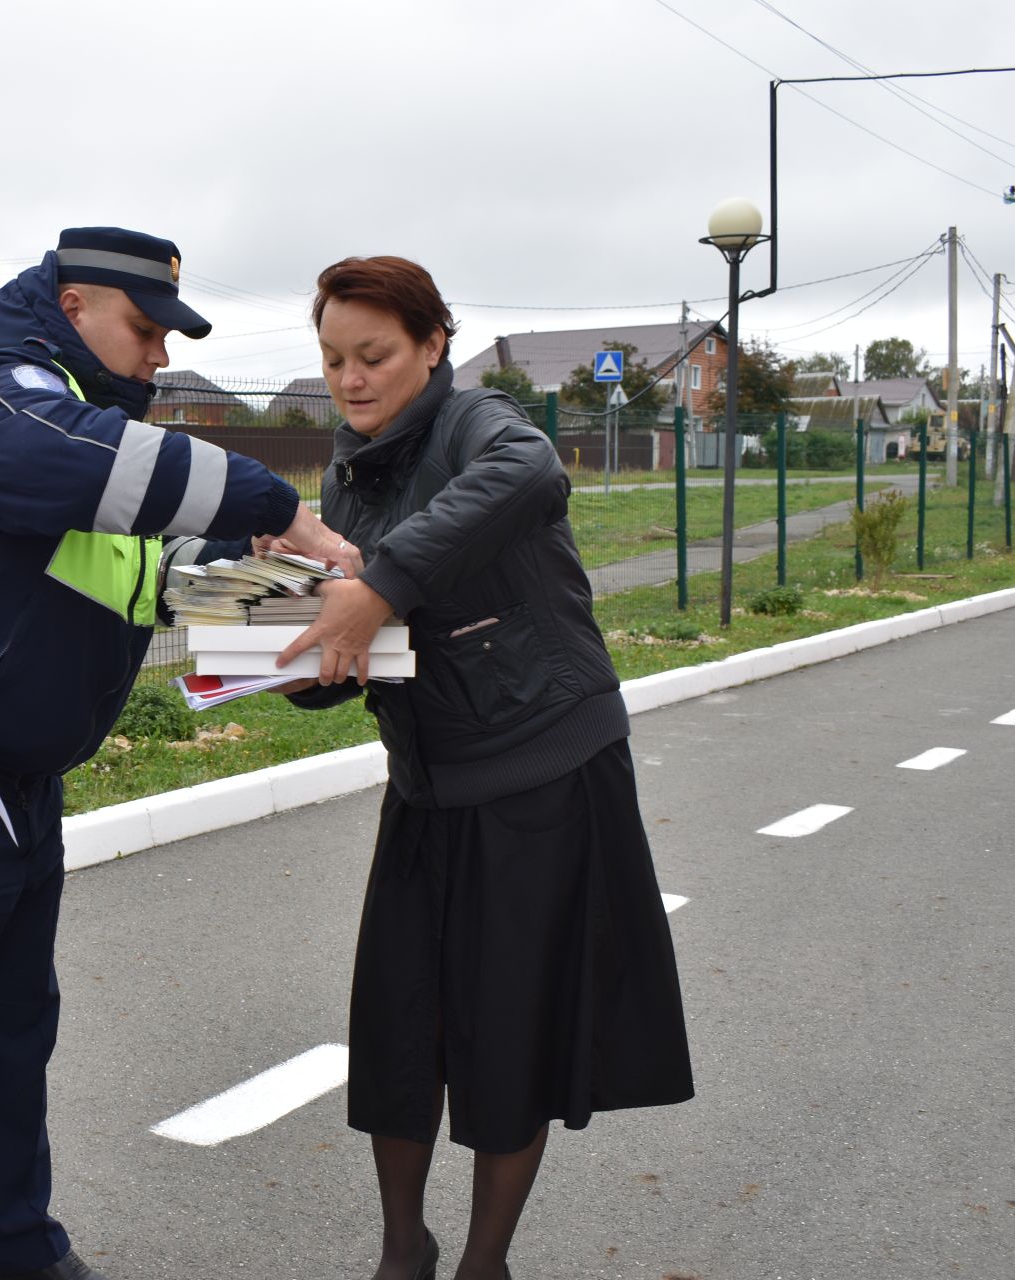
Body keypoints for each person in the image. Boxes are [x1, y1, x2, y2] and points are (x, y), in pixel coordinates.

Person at [0, 227, 352, 1280]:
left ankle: (22, 1251)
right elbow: (100, 470)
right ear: (71, 306)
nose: (156, 357)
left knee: (13, 1038)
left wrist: (337, 620)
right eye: (144, 330)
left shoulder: (88, 444)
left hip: (14, 780)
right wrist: (284, 507)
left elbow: (161, 584)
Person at [270, 256, 694, 1280]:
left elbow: (531, 475)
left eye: (374, 354)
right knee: (400, 1023)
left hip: (543, 768)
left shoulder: (479, 424)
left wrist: (382, 586)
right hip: (428, 779)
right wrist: (288, 656)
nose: (352, 378)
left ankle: (483, 1261)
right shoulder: (345, 472)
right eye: (333, 359)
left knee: (511, 1031)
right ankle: (402, 1248)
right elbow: (360, 644)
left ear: (432, 346)